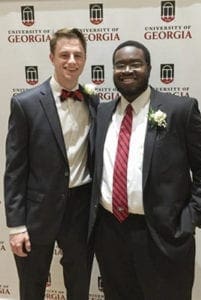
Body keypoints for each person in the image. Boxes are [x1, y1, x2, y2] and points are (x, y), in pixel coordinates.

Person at [88, 40, 201, 300]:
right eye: (120, 65)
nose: (127, 70)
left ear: (149, 68)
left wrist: (190, 218)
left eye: (135, 64)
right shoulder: (102, 113)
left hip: (162, 233)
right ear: (112, 71)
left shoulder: (179, 109)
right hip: (111, 234)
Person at [4, 28, 99, 300]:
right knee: (32, 287)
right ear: (51, 57)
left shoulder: (93, 100)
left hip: (80, 209)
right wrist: (16, 226)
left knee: (79, 285)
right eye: (64, 55)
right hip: (37, 212)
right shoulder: (26, 103)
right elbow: (14, 170)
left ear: (84, 59)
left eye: (78, 55)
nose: (71, 61)